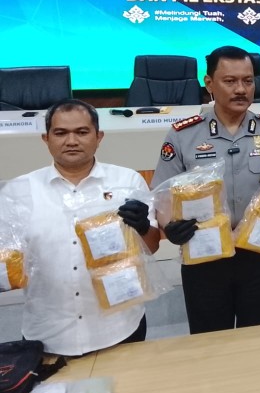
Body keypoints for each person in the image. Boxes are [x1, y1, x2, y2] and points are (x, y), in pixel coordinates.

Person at [150, 45, 260, 334]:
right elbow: (163, 193)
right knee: (210, 339)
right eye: (230, 81)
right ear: (209, 83)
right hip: (204, 254)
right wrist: (170, 226)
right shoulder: (184, 134)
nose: (241, 89)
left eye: (248, 81)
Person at [1, 99, 158, 356]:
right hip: (48, 334)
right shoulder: (18, 191)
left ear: (99, 137)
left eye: (82, 132)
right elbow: (6, 262)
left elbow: (151, 246)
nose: (71, 141)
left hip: (120, 327)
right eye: (61, 133)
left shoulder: (127, 181)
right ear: (46, 138)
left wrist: (142, 228)